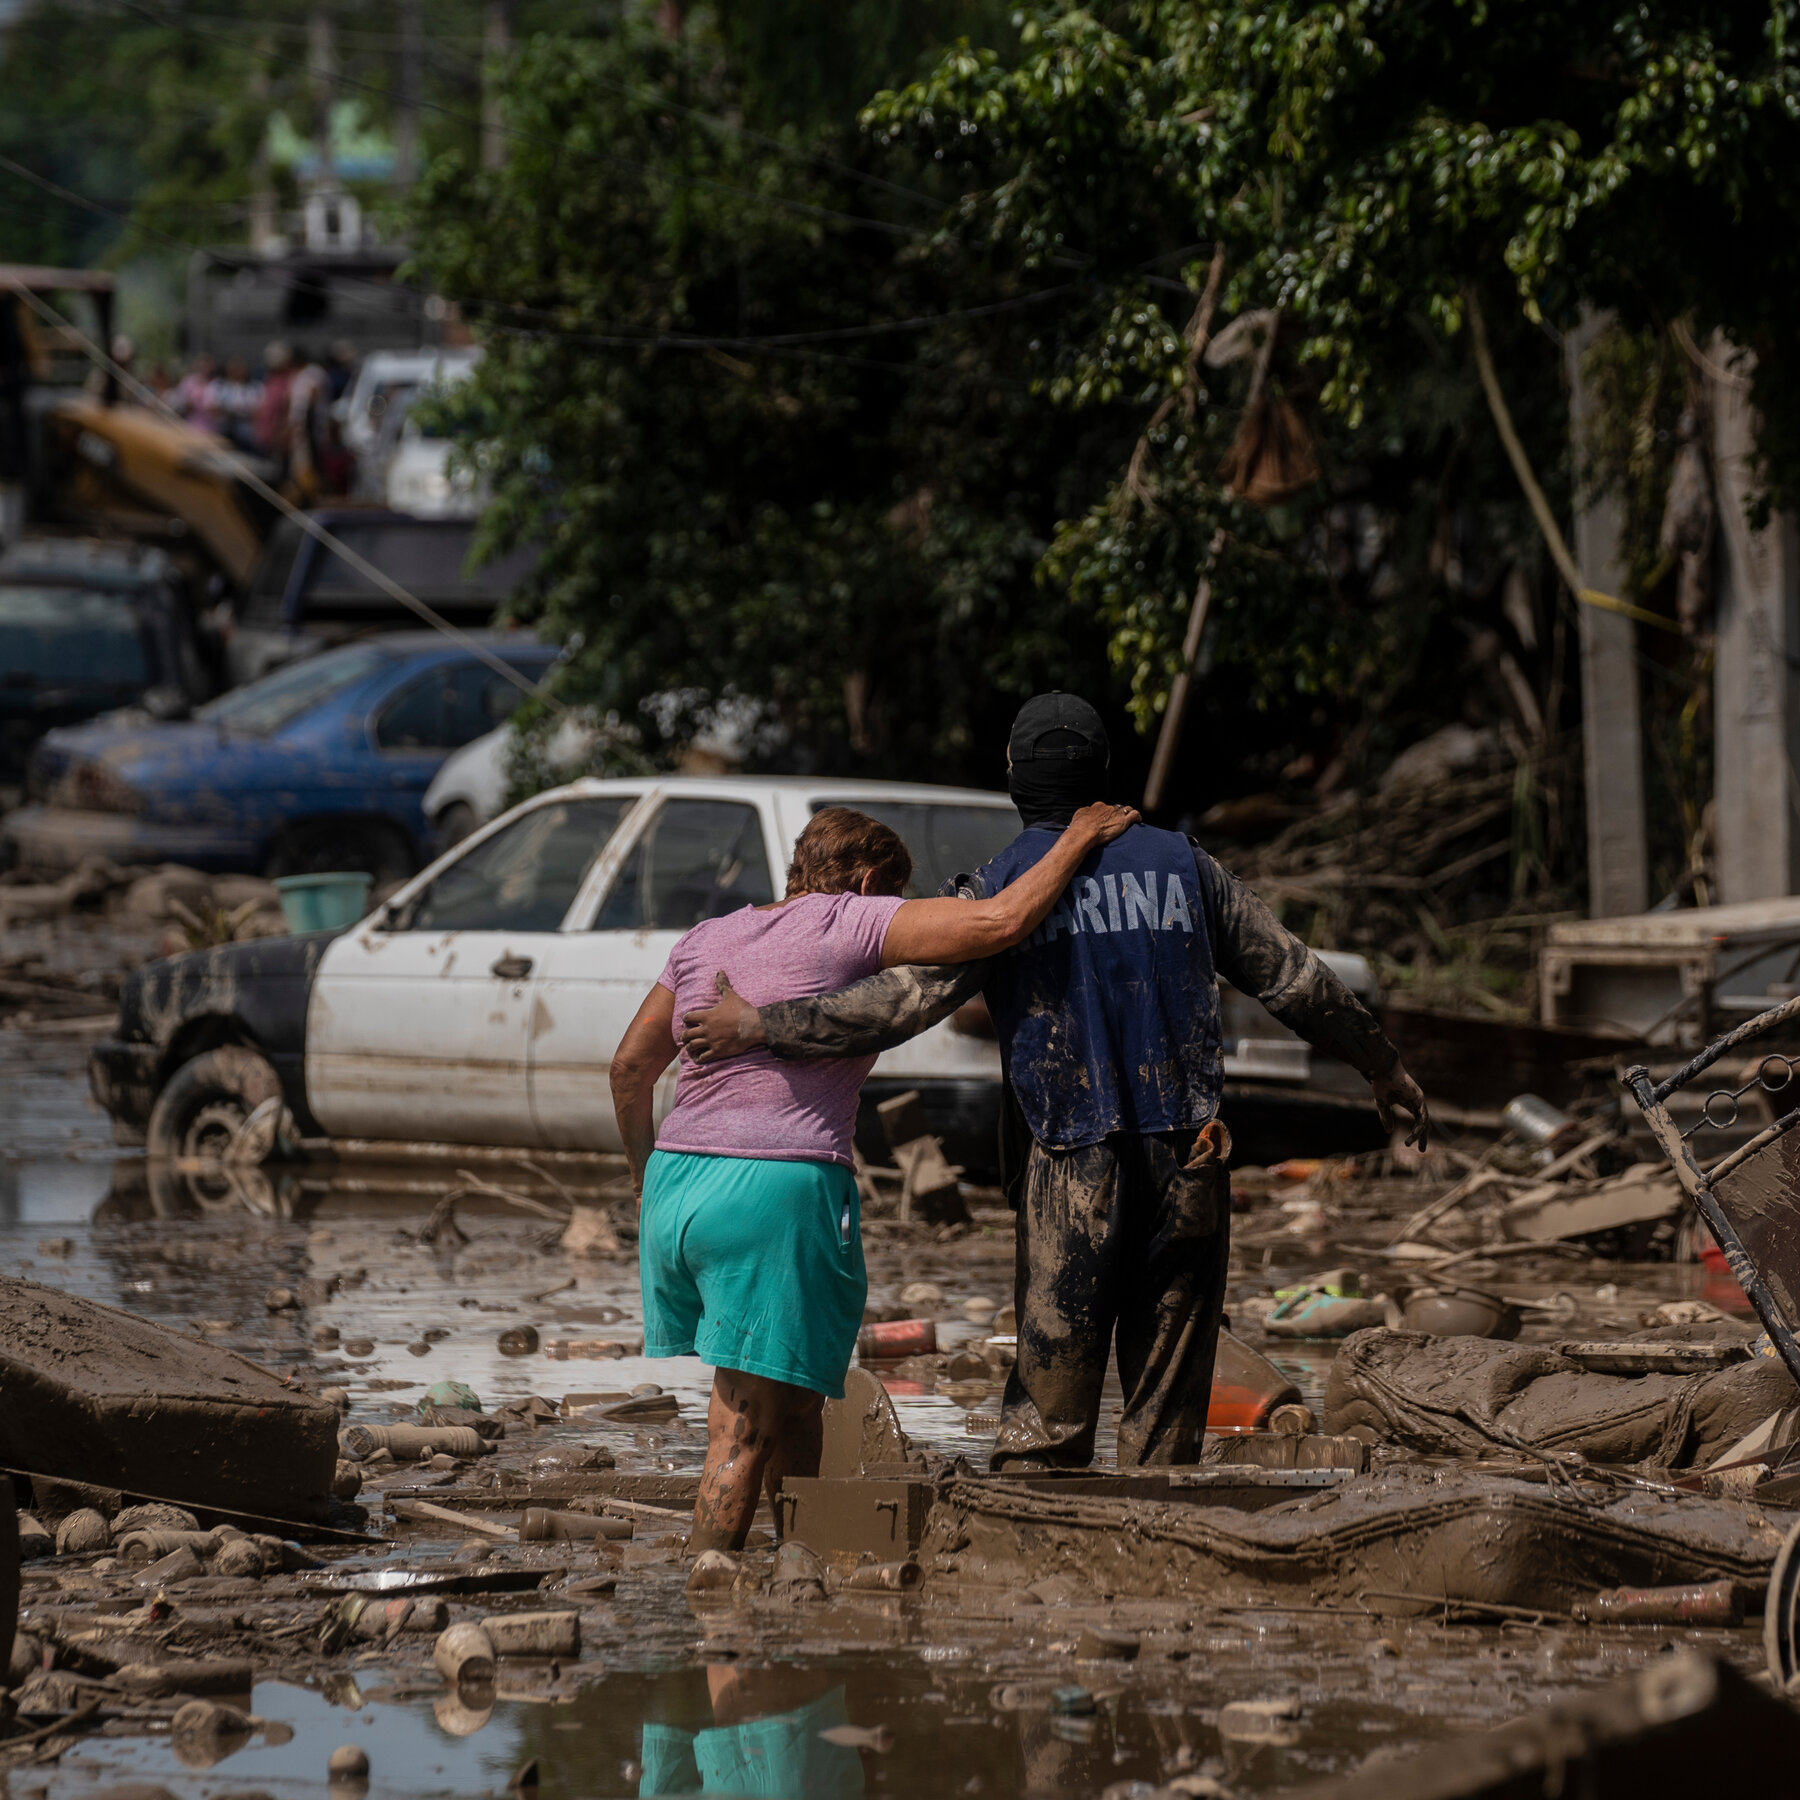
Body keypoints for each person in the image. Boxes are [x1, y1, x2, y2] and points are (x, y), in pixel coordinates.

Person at [680, 692, 1430, 1472]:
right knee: (1167, 1405)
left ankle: (1040, 1560)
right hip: (1190, 1157)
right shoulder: (1188, 867)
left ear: (1016, 779)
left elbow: (900, 1006)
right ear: (1103, 772)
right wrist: (1385, 1067)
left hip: (1069, 1162)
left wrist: (764, 1025)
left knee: (1047, 1418)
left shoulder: (1006, 887)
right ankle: (1166, 1554)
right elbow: (1298, 981)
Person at [608, 798, 1140, 1552]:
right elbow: (996, 924)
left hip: (677, 1187)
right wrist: (1081, 836)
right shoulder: (850, 921)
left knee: (792, 1403)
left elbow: (629, 1069)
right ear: (864, 880)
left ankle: (802, 1564)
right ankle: (711, 1610)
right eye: (891, 893)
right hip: (773, 1189)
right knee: (742, 1426)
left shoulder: (708, 936)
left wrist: (645, 1178)